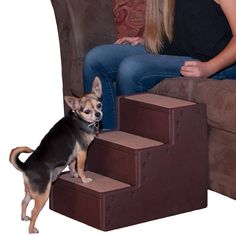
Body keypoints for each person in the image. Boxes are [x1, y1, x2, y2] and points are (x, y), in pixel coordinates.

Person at [83, 0, 236, 130]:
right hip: (180, 54)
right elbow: (187, 26)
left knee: (132, 69)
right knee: (96, 60)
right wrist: (147, 41)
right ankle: (105, 145)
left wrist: (209, 67)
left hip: (216, 63)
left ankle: (129, 156)